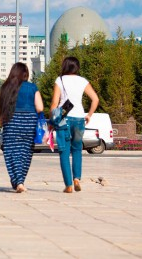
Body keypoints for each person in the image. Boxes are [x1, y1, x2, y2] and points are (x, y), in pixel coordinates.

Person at [50, 56, 99, 193]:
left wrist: (52, 120)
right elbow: (95, 99)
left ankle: (68, 185)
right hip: (79, 118)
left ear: (65, 66)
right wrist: (89, 115)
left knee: (64, 152)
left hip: (63, 119)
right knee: (77, 149)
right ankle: (77, 178)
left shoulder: (59, 80)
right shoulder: (83, 81)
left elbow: (54, 103)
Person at [0, 63, 44, 193]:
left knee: (11, 152)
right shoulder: (32, 87)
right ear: (25, 74)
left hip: (11, 121)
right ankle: (20, 181)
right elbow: (40, 107)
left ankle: (18, 182)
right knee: (25, 152)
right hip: (29, 123)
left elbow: (1, 107)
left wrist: (2, 120)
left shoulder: (5, 88)